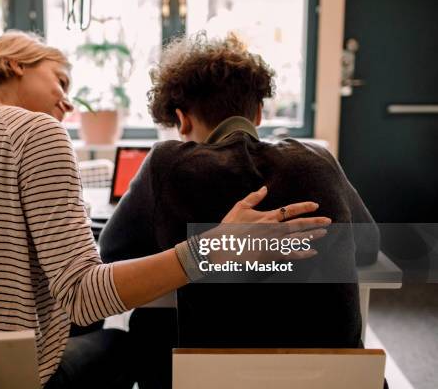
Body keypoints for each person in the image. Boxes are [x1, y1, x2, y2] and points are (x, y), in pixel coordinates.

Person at [0, 30, 328, 388]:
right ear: (14, 63)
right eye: (61, 81)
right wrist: (214, 249)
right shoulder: (36, 131)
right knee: (124, 344)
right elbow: (84, 298)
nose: (67, 102)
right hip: (8, 378)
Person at [99, 32, 380, 388]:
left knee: (148, 324)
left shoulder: (167, 163)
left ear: (182, 120)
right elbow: (369, 245)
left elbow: (111, 253)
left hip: (211, 380)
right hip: (334, 381)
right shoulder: (317, 158)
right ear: (259, 112)